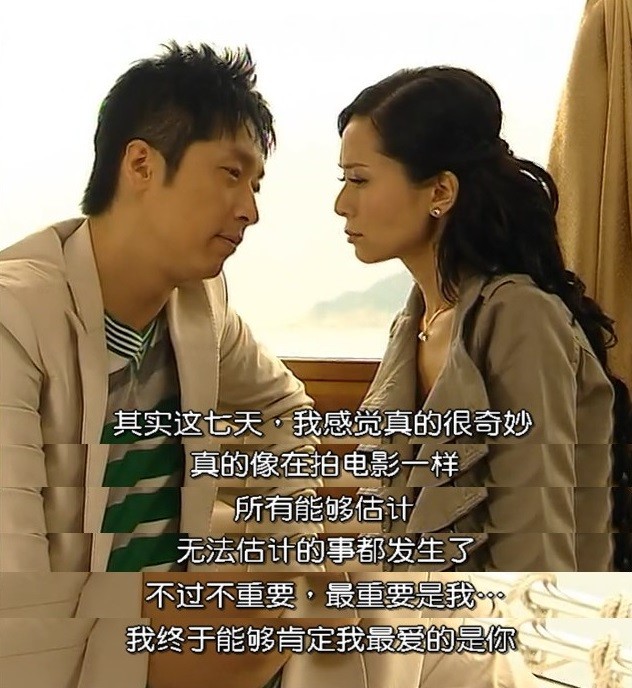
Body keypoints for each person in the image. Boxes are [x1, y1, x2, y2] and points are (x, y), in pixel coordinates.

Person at [0, 41, 323, 573]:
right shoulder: (16, 318)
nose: (250, 210)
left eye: (256, 185)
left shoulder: (202, 304)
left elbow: (282, 414)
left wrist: (292, 559)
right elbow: (18, 586)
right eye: (231, 173)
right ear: (142, 164)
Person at [334, 66, 632, 572]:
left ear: (440, 192)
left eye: (360, 180)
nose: (342, 204)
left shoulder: (520, 319)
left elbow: (536, 559)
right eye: (343, 180)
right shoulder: (414, 322)